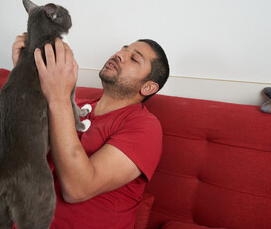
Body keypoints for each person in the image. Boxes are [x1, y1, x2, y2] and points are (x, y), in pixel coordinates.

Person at [12, 34, 169, 229]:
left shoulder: (144, 126)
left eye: (134, 58)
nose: (119, 54)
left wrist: (59, 97)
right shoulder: (75, 106)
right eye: (123, 49)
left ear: (148, 87)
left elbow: (77, 189)